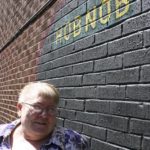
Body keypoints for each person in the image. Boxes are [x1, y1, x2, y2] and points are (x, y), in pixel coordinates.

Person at [0, 82, 88, 150]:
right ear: (20, 108)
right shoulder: (2, 134)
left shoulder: (74, 141)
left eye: (51, 109)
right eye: (37, 107)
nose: (44, 115)